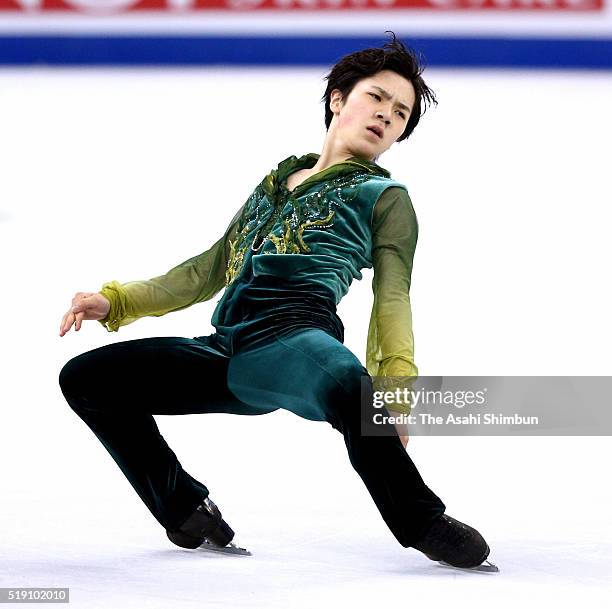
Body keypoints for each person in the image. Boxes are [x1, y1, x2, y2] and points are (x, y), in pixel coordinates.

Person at [58, 32, 497, 572]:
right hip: (225, 351)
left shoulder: (384, 198)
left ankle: (421, 521)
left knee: (352, 392)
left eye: (401, 113)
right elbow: (206, 269)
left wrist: (396, 386)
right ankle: (185, 509)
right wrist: (116, 301)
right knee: (88, 379)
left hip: (296, 340)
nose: (387, 115)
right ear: (339, 98)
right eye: (377, 97)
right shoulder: (277, 182)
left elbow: (393, 298)